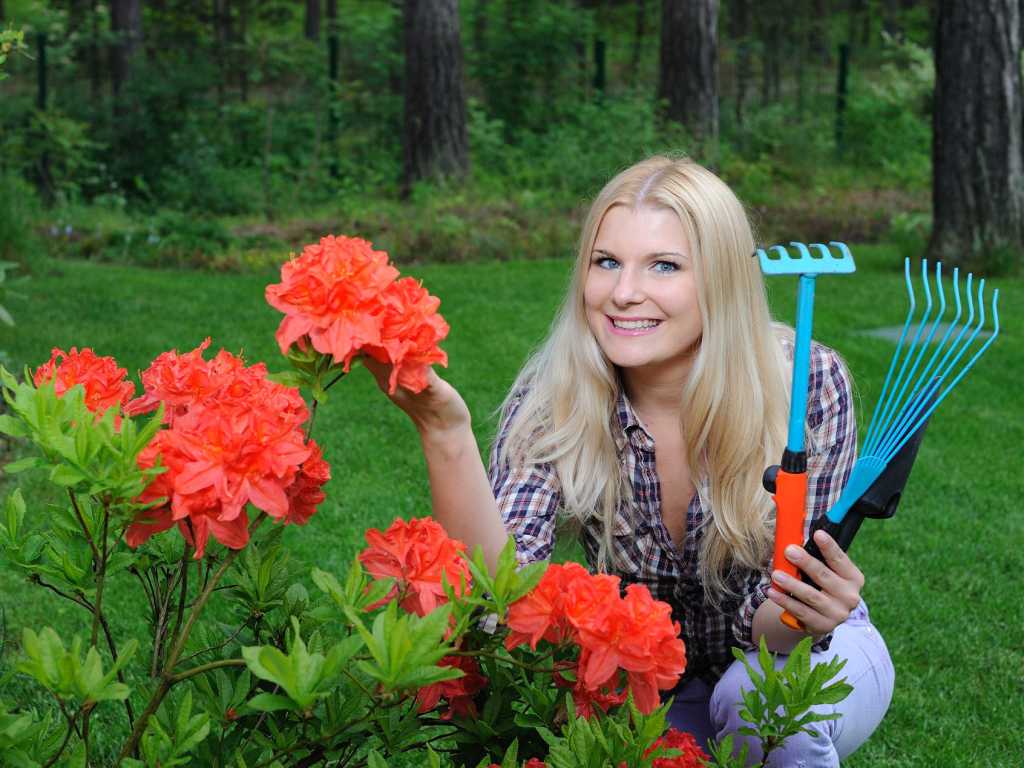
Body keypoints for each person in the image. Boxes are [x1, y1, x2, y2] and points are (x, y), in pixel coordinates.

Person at [363, 156, 894, 766]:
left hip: (800, 651)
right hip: (650, 680)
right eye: (606, 262)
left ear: (721, 281)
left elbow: (771, 623)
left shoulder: (803, 382)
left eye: (663, 266)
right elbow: (491, 600)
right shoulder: (556, 397)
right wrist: (444, 432)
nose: (622, 293)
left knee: (757, 707)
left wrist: (809, 611)